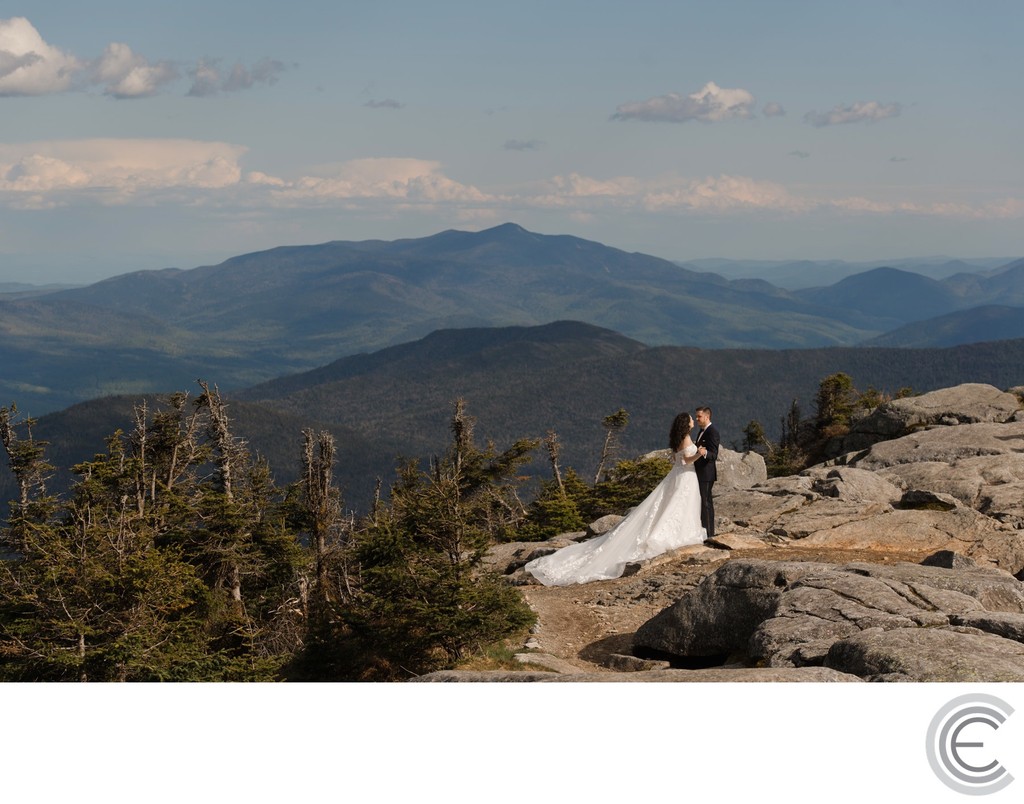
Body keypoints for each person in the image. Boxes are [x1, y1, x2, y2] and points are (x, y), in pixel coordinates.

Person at [525, 412, 706, 586]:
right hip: (684, 476)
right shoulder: (686, 438)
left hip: (678, 477)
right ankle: (674, 534)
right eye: (691, 419)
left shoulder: (677, 439)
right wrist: (699, 453)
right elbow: (685, 461)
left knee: (672, 506)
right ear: (686, 423)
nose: (693, 420)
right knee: (678, 506)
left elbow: (678, 459)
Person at [693, 406, 719, 541]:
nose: (697, 419)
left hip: (706, 473)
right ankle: (706, 532)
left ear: (707, 417)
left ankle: (709, 534)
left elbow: (714, 455)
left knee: (706, 503)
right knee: (703, 502)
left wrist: (705, 453)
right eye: (696, 416)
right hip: (701, 472)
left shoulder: (712, 432)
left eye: (699, 416)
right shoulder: (702, 431)